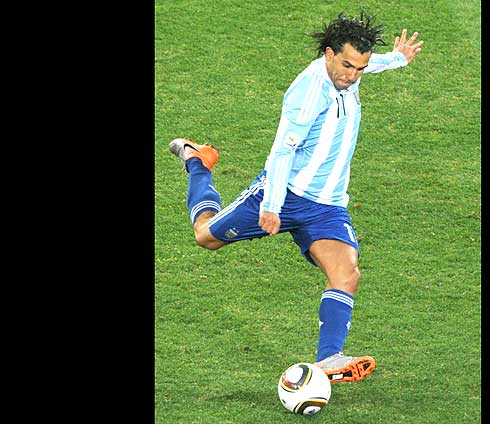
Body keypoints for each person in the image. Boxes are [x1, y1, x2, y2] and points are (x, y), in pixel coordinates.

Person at [168, 11, 423, 383]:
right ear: (329, 54)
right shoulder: (308, 93)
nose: (352, 76)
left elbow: (369, 64)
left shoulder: (349, 72)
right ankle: (198, 161)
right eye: (347, 66)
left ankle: (328, 359)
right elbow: (281, 152)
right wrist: (271, 205)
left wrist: (397, 58)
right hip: (285, 194)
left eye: (360, 69)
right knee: (206, 236)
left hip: (327, 205)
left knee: (346, 272)